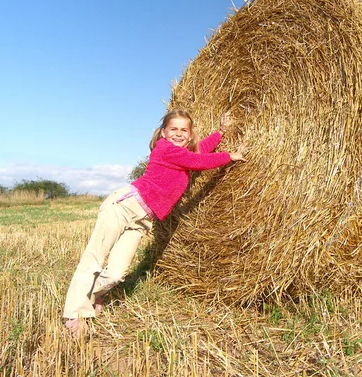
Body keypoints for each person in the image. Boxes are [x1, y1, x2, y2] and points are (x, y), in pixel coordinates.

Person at [63, 109, 246, 336]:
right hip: (124, 207)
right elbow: (197, 160)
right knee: (94, 258)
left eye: (184, 130)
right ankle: (74, 316)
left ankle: (93, 294)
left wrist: (220, 132)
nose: (178, 134)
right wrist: (230, 156)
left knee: (117, 273)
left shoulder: (182, 152)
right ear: (163, 133)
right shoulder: (165, 149)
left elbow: (200, 151)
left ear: (189, 135)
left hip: (142, 221)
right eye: (173, 129)